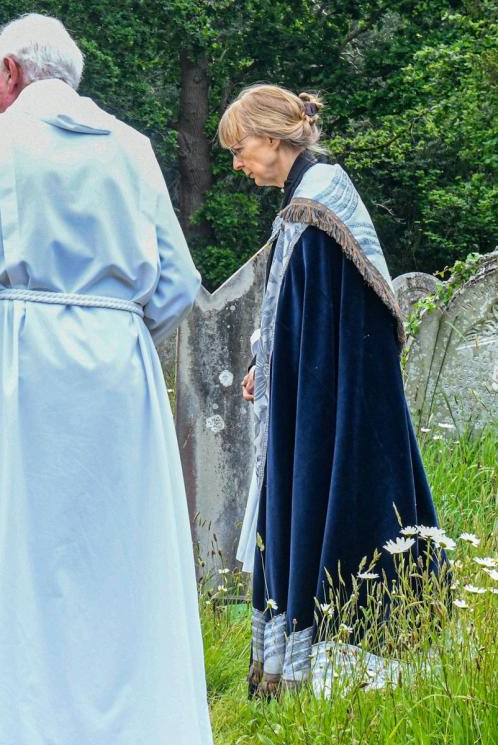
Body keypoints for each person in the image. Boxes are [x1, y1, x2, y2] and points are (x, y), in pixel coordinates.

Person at [0, 14, 212, 745]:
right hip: (118, 371)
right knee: (118, 556)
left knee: (17, 552)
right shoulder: (133, 149)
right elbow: (178, 281)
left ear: (11, 71)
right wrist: (122, 336)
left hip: (16, 365)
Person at [220, 85, 439, 696]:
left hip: (333, 404)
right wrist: (270, 366)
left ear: (271, 138)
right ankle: (291, 672)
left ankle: (336, 674)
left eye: (240, 149)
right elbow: (300, 316)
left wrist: (291, 381)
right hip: (316, 393)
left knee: (330, 502)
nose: (237, 163)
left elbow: (327, 327)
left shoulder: (317, 210)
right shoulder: (309, 204)